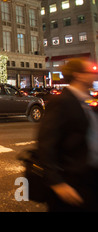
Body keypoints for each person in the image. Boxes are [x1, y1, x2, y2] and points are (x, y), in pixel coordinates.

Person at [37, 58, 98, 211]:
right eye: (89, 72)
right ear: (79, 75)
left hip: (90, 178)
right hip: (72, 181)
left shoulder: (86, 101)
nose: (94, 75)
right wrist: (56, 182)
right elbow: (45, 144)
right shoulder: (62, 102)